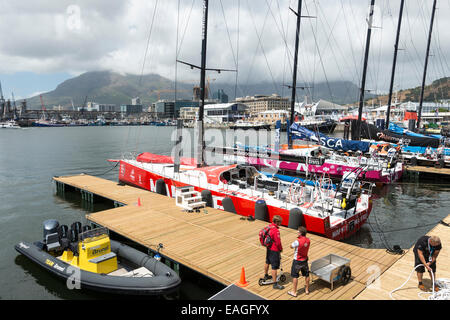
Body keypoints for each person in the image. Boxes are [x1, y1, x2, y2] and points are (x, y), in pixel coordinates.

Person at [288, 226, 311, 297]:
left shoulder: (297, 241)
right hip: (304, 260)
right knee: (306, 274)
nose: (297, 232)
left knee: (295, 276)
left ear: (300, 233)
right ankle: (307, 290)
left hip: (297, 261)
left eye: (298, 231)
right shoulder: (308, 240)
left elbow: (291, 246)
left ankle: (294, 292)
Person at [263, 215, 284, 290]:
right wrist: (281, 249)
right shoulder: (276, 230)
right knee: (274, 267)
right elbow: (278, 242)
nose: (281, 223)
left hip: (268, 248)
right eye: (280, 222)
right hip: (274, 250)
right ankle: (275, 284)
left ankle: (266, 275)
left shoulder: (269, 227)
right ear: (277, 222)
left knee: (267, 261)